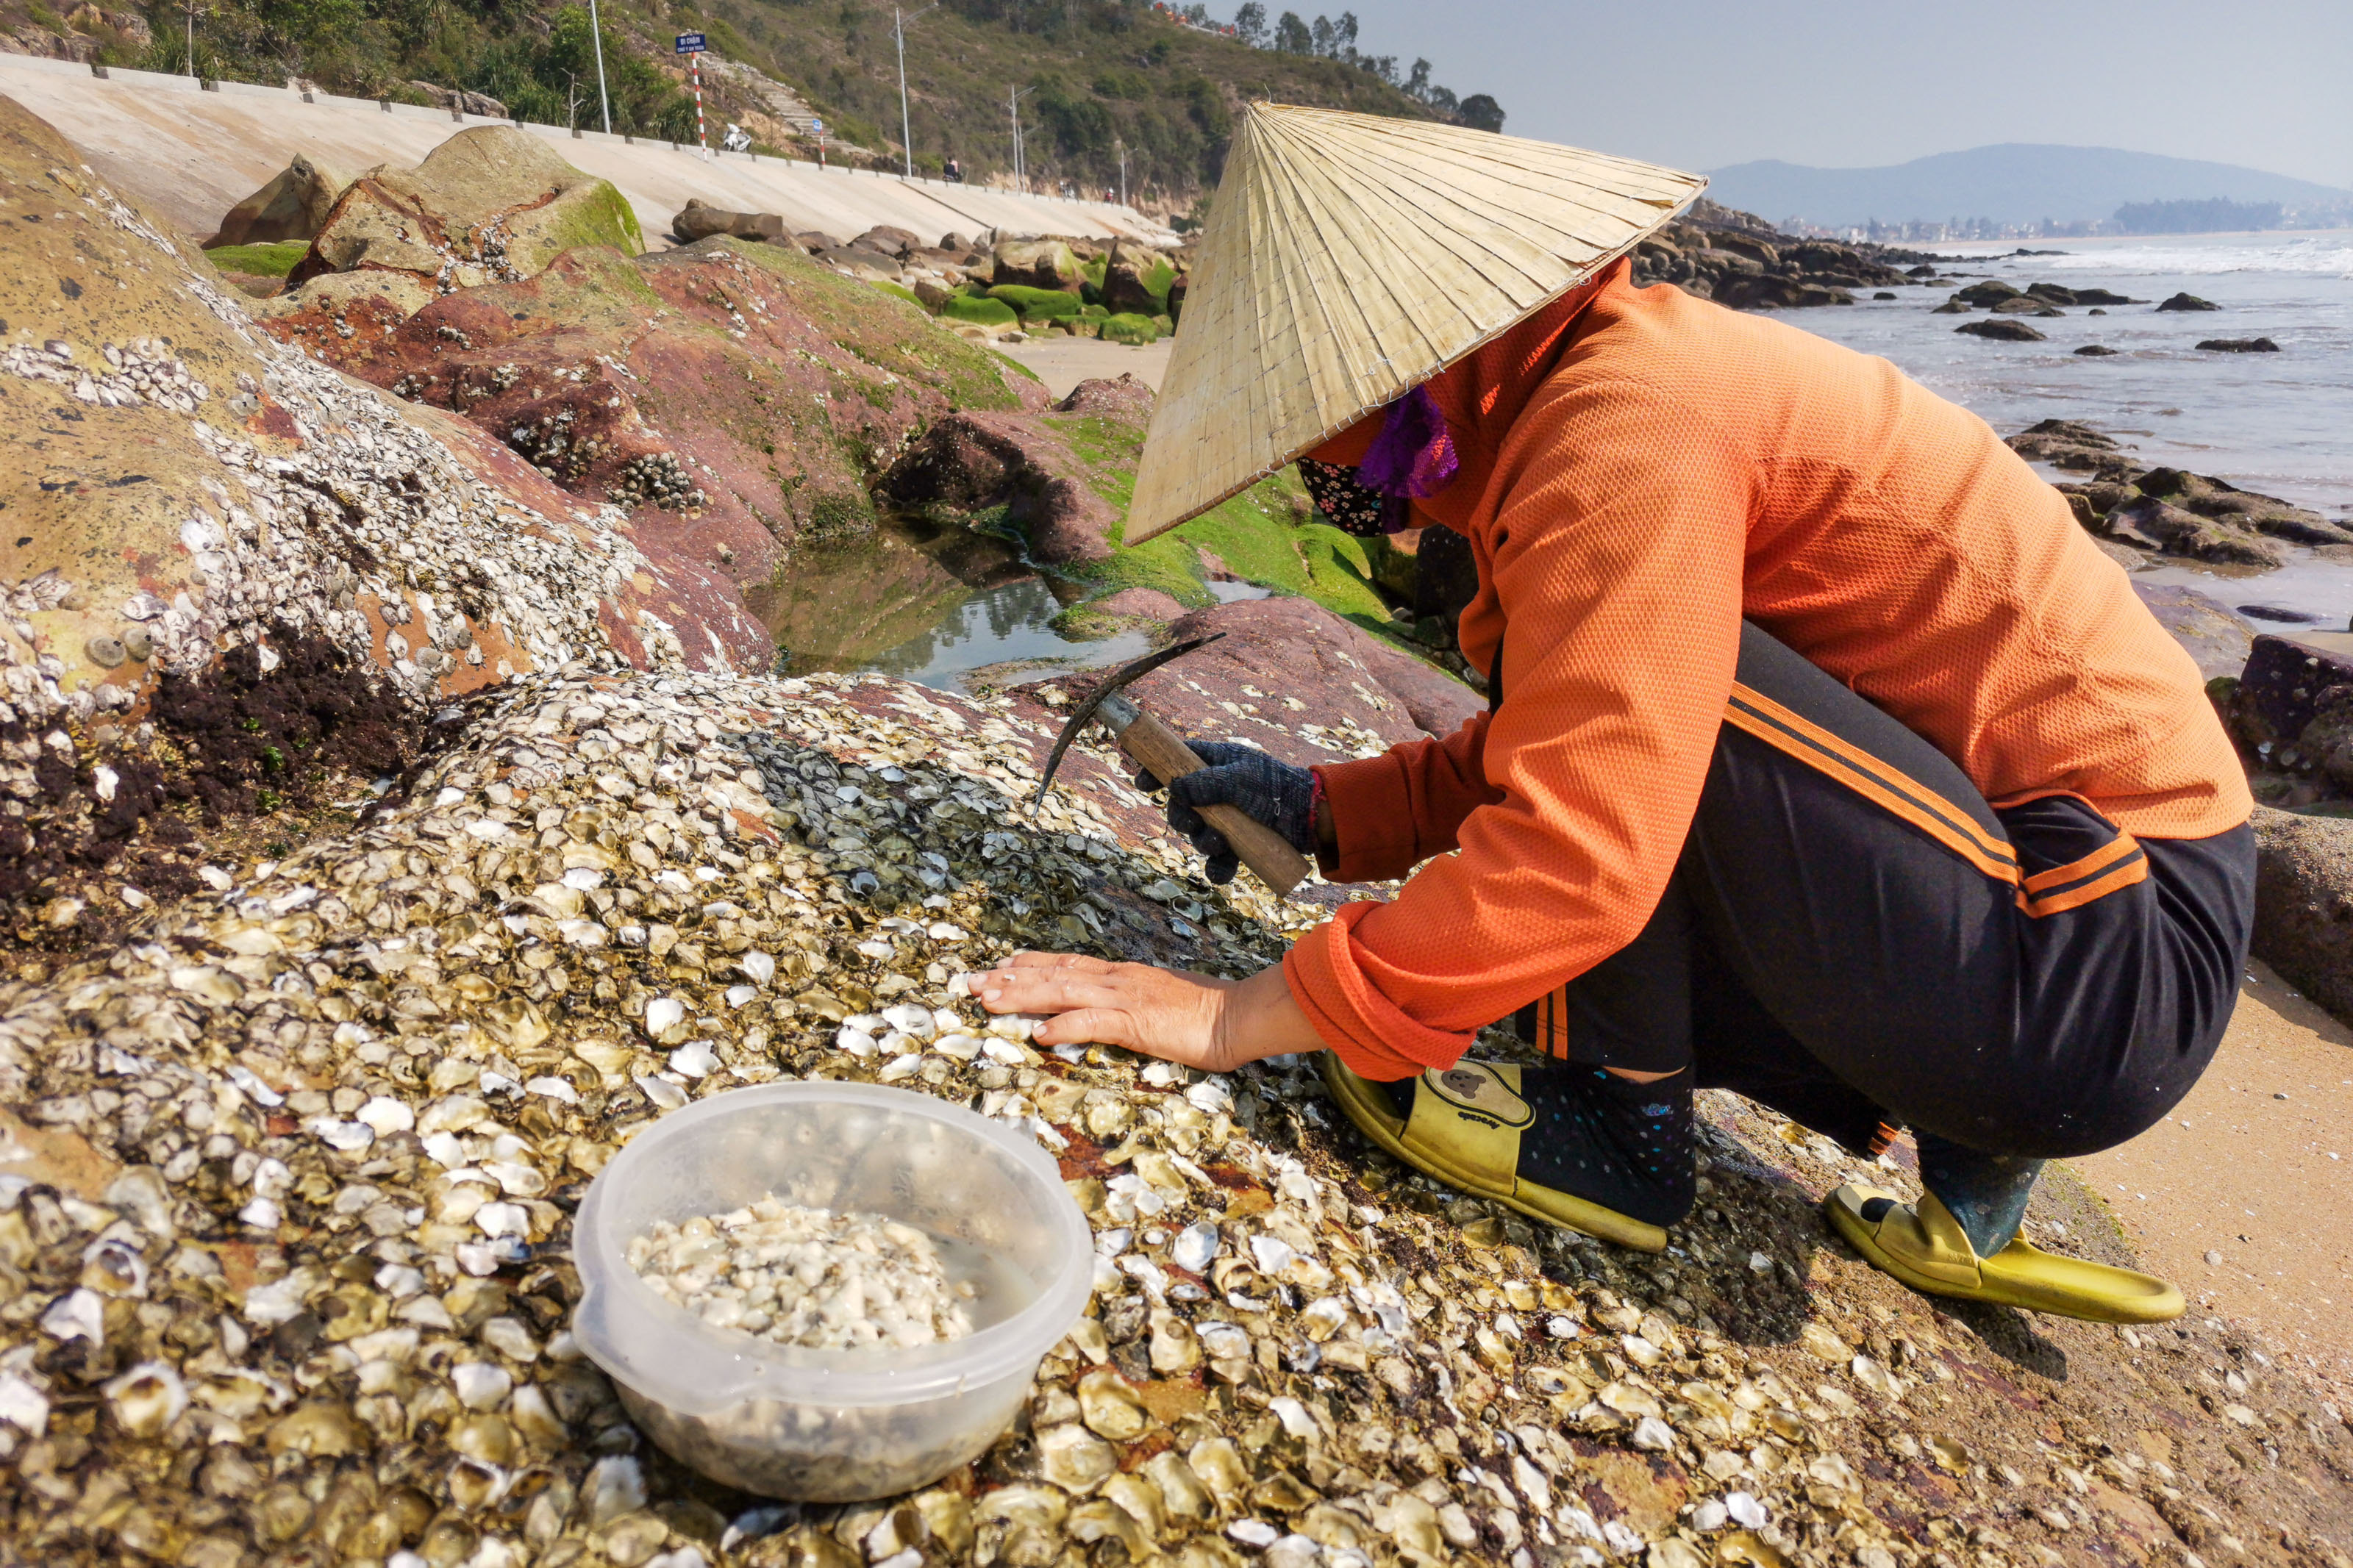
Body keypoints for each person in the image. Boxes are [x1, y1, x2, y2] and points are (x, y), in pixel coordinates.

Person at [971, 104, 2252, 1322]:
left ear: (1418, 360)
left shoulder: (1623, 427)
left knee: (1629, 755)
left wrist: (1234, 1015)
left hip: (2110, 950)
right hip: (2054, 923)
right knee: (1627, 716)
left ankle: (1616, 1128)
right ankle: (1975, 1177)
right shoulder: (1596, 383)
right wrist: (1328, 812)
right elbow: (1591, 721)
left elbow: (1595, 814)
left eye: (1308, 421)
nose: (1308, 473)